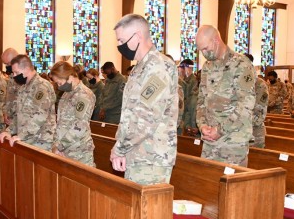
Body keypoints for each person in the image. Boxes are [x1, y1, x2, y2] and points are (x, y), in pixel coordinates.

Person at [109, 14, 178, 185]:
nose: (120, 45)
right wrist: (123, 148)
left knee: (147, 211)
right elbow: (129, 114)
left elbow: (145, 118)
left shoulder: (157, 67)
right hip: (138, 154)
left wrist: (119, 148)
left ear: (138, 36)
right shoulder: (140, 68)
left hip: (152, 158)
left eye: (122, 40)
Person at [195, 25, 256, 166]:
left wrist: (220, 130)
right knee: (207, 183)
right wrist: (202, 125)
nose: (204, 53)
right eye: (201, 50)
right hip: (210, 140)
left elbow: (246, 104)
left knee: (232, 186)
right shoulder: (207, 67)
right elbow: (201, 101)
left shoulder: (241, 64)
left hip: (233, 141)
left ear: (216, 40)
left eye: (205, 48)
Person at [0, 54, 56, 150]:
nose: (15, 76)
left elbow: (39, 116)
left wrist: (22, 135)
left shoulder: (42, 86)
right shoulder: (23, 87)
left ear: (26, 69)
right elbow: (19, 114)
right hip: (26, 138)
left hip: (41, 140)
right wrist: (9, 131)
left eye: (16, 72)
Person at [48, 61, 95, 166]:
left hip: (79, 151)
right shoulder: (66, 94)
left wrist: (60, 146)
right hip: (63, 149)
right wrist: (55, 144)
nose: (59, 86)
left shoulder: (84, 94)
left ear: (70, 77)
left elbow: (80, 126)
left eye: (60, 83)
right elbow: (60, 122)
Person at [246, 54, 268, 148]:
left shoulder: (259, 84)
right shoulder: (240, 82)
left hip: (254, 131)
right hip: (240, 130)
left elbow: (259, 112)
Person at [178, 58, 199, 135]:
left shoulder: (192, 81)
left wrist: (188, 125)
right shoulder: (180, 80)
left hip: (187, 119)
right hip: (180, 118)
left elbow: (191, 104)